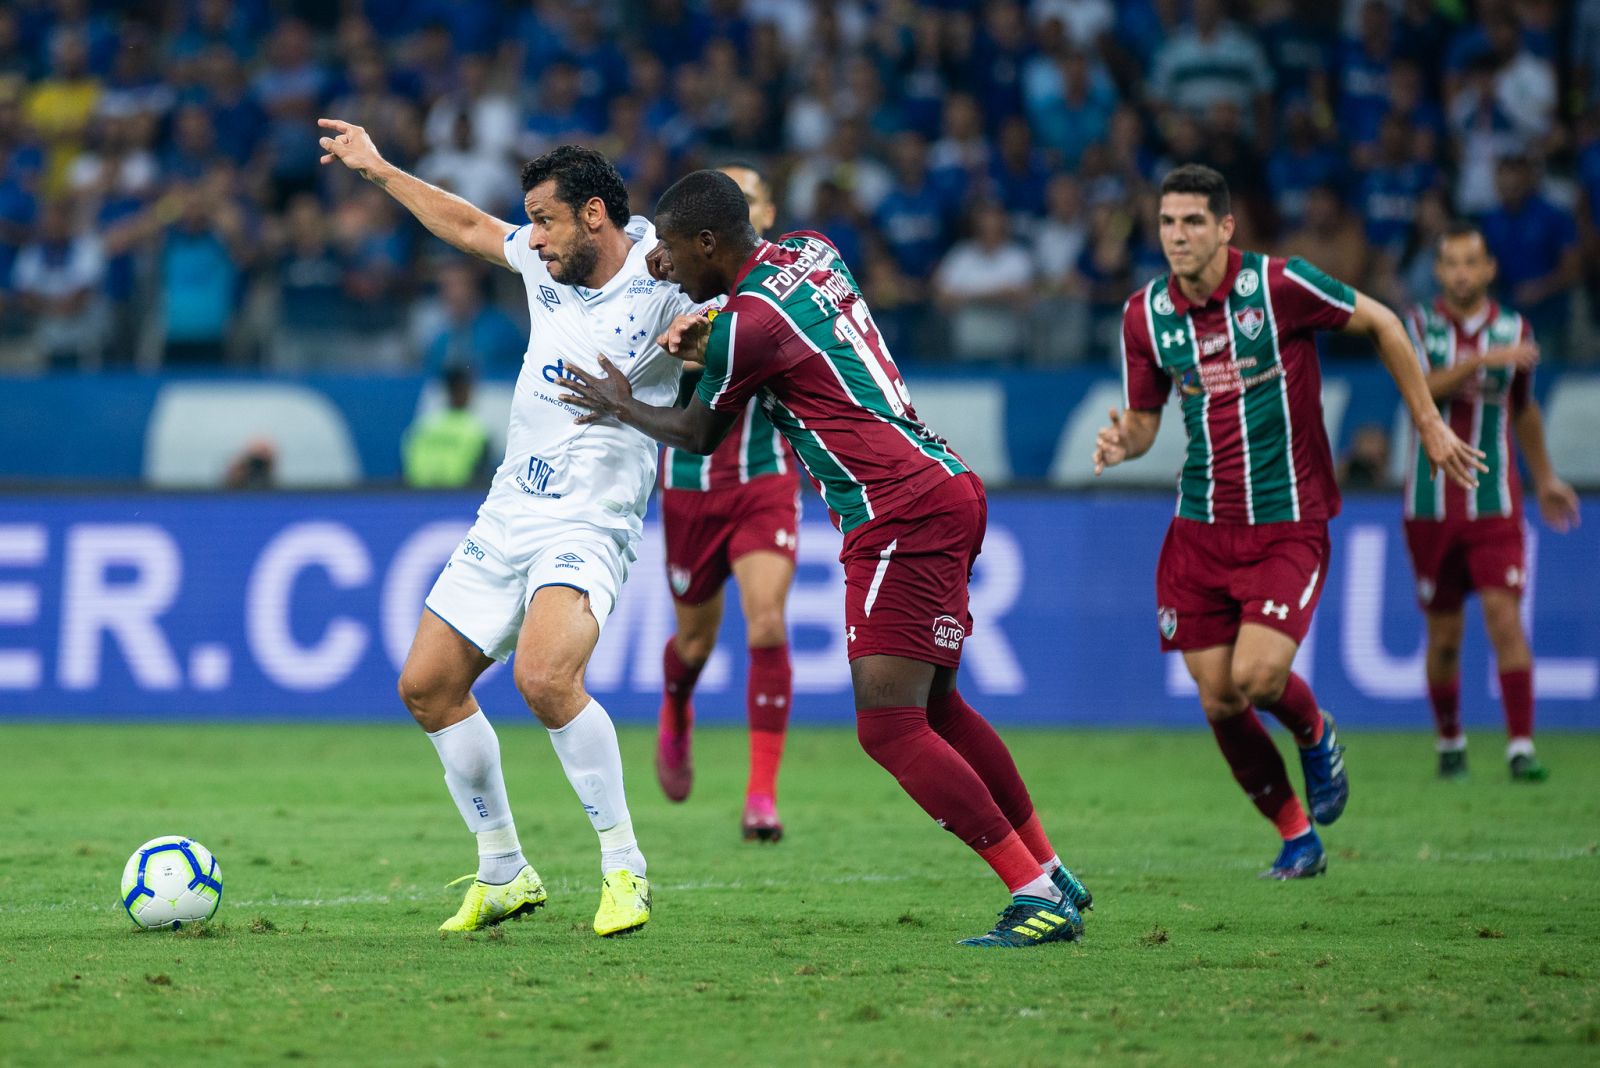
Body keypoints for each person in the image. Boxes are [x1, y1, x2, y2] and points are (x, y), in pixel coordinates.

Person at [559, 169, 1091, 949]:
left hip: (895, 511)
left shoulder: (746, 325)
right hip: (943, 480)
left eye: (673, 250)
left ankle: (1032, 891)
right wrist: (715, 332)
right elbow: (774, 335)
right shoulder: (812, 251)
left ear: (709, 242)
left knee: (888, 727)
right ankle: (1049, 868)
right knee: (938, 708)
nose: (664, 264)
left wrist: (620, 403)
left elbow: (701, 433)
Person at [319, 120, 701, 938]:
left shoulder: (669, 278)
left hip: (591, 516)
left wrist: (701, 335)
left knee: (546, 679)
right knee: (426, 687)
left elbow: (743, 302)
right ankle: (503, 869)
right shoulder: (542, 261)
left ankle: (624, 868)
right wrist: (381, 170)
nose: (532, 237)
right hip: (510, 507)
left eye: (545, 219)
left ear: (594, 214)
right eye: (529, 220)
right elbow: (466, 225)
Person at [1092, 164, 1483, 881]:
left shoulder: (1277, 287)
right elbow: (1146, 421)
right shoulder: (1143, 316)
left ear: (1225, 227)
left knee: (1261, 676)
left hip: (1287, 521)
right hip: (1199, 527)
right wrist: (1126, 443)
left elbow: (1386, 323)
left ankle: (1315, 730)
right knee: (1218, 696)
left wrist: (1427, 423)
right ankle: (1296, 834)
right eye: (1168, 223)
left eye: (1192, 223)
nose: (1177, 236)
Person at [653, 164, 801, 842]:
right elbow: (669, 378)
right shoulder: (678, 282)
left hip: (763, 477)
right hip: (689, 485)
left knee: (766, 623)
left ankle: (761, 797)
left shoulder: (782, 289)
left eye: (757, 191)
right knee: (695, 641)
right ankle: (677, 707)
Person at [1402, 221, 1581, 782]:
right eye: (1450, 262)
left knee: (1505, 620)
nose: (1460, 272)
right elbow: (1420, 391)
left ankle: (1520, 747)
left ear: (1488, 269)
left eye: (1470, 262)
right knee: (1445, 634)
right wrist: (1481, 362)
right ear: (1438, 271)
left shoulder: (1513, 327)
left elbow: (1523, 408)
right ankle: (1450, 741)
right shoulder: (1417, 325)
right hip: (1430, 504)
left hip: (1495, 501)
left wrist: (1547, 476)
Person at [403, 365, 491, 489]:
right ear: (466, 390)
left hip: (419, 498)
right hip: (459, 499)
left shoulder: (424, 426)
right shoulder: (477, 431)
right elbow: (481, 477)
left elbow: (405, 472)